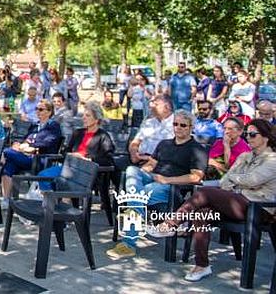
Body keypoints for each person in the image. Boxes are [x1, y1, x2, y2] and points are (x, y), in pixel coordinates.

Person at [152, 119, 276, 282]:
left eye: (252, 134)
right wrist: (236, 181)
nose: (248, 138)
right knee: (202, 213)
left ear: (266, 137)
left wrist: (234, 180)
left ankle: (171, 224)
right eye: (247, 134)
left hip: (259, 209)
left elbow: (252, 180)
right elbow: (224, 182)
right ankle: (202, 265)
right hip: (237, 202)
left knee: (205, 193)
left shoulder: (272, 160)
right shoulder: (245, 156)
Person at [106, 110, 207, 260]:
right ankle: (137, 209)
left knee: (137, 195)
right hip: (153, 180)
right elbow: (150, 165)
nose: (178, 127)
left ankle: (129, 243)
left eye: (183, 125)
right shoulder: (164, 143)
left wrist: (167, 180)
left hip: (171, 189)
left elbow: (196, 177)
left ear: (191, 127)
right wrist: (142, 176)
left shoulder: (197, 149)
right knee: (132, 170)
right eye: (175, 124)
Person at [36, 101, 115, 189]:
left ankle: (58, 198)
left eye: (87, 116)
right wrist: (69, 155)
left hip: (87, 171)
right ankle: (52, 200)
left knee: (63, 182)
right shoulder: (78, 133)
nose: (83, 118)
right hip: (70, 167)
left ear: (97, 120)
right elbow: (65, 152)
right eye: (83, 115)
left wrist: (86, 159)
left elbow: (108, 160)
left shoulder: (103, 136)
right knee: (43, 176)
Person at [1, 99, 62, 202]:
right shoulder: (35, 126)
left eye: (41, 109)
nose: (37, 111)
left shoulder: (53, 126)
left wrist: (32, 146)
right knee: (9, 166)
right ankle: (6, 200)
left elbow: (49, 142)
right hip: (25, 156)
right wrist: (20, 145)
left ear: (49, 112)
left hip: (40, 159)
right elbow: (26, 138)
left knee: (6, 152)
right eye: (36, 109)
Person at [128, 94, 175, 166]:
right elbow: (135, 142)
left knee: (132, 173)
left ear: (167, 107)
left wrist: (151, 159)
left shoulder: (178, 124)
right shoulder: (149, 122)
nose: (151, 106)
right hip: (141, 160)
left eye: (155, 104)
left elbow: (178, 150)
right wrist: (134, 155)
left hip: (162, 163)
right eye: (151, 103)